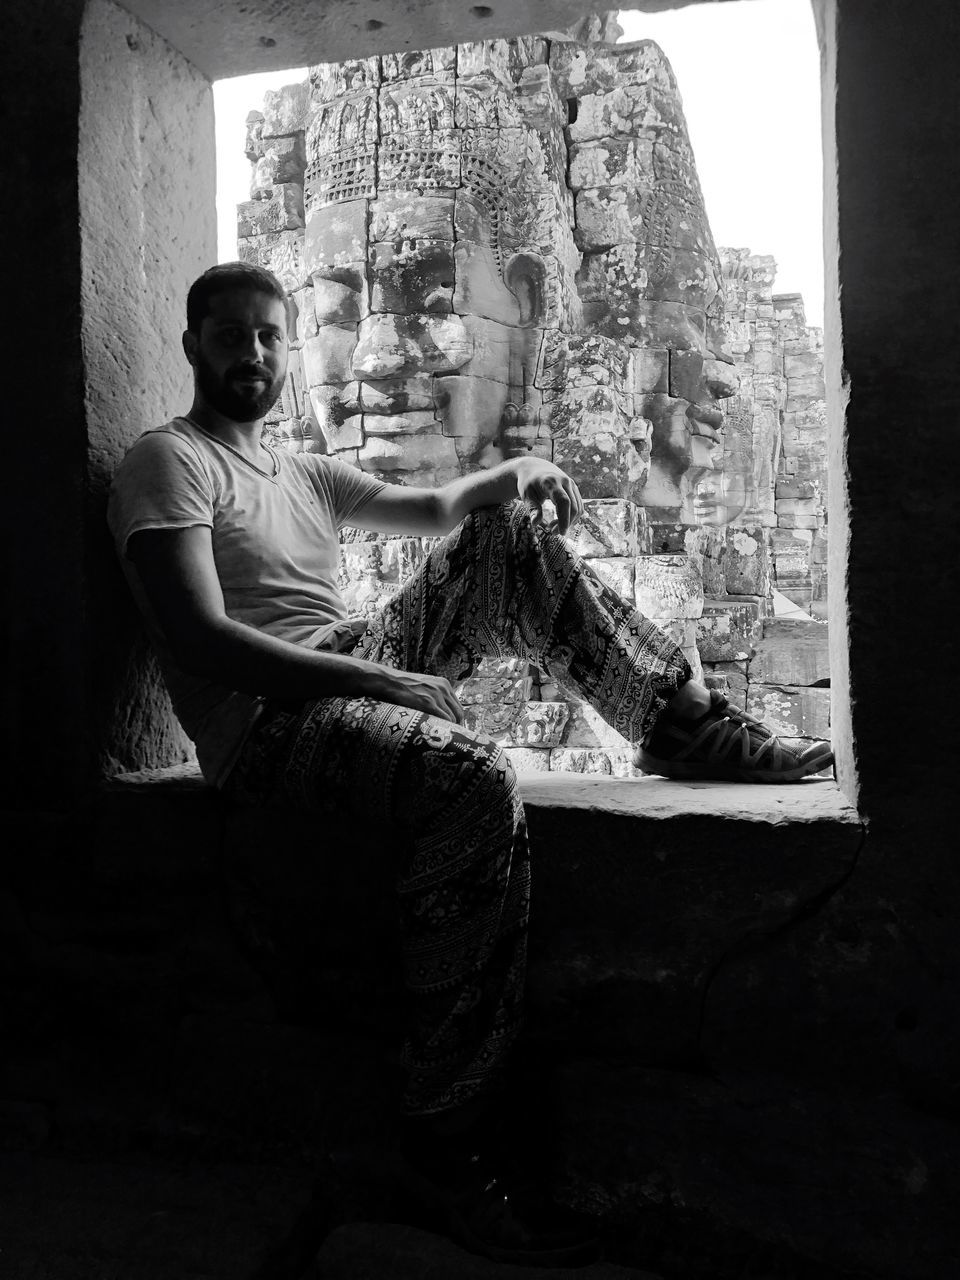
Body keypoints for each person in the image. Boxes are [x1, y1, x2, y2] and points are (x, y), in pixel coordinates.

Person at [107, 262, 833, 1268]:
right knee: (472, 778)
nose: (256, 354)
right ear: (193, 345)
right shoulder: (169, 461)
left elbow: (438, 506)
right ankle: (447, 1134)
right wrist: (381, 689)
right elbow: (198, 638)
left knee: (499, 538)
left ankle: (677, 721)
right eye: (232, 335)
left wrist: (512, 475)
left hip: (342, 666)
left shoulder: (301, 471)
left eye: (271, 335)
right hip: (266, 722)